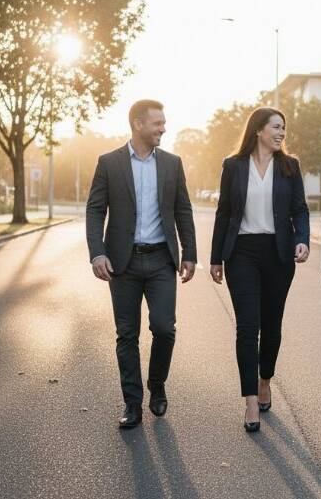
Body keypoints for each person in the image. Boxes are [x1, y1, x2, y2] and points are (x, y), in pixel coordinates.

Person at [85, 99, 197, 429]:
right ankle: (132, 402)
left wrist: (189, 252)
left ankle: (157, 384)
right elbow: (95, 210)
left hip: (162, 259)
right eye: (157, 123)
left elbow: (183, 210)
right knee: (127, 334)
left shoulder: (172, 163)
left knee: (164, 328)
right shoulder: (109, 162)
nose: (163, 128)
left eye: (163, 123)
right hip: (124, 262)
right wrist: (97, 252)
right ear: (138, 124)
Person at [210, 107, 310, 432]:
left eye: (284, 128)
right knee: (246, 327)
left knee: (272, 325)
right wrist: (215, 258)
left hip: (278, 253)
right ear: (259, 130)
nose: (282, 133)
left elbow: (300, 209)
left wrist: (303, 240)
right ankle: (251, 400)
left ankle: (265, 377)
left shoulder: (289, 166)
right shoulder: (233, 165)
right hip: (241, 253)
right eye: (276, 127)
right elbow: (224, 213)